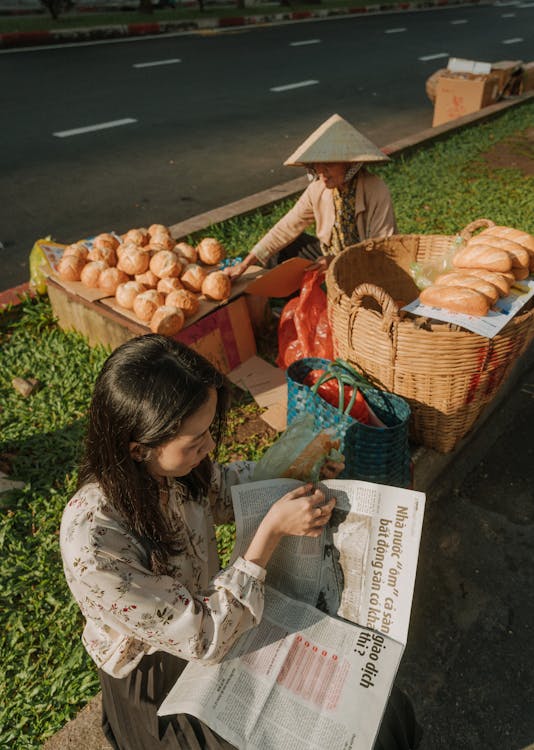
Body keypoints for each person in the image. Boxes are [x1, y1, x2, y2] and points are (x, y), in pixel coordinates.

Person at [60, 334, 421, 750]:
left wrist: (301, 470)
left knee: (377, 710)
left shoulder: (172, 472)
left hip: (226, 618)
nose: (210, 447)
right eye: (195, 443)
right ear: (139, 448)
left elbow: (226, 487)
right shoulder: (95, 547)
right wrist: (267, 536)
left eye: (209, 432)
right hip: (163, 674)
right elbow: (204, 637)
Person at [225, 114, 397, 280]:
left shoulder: (375, 189)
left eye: (329, 165)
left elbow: (381, 248)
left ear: (350, 163)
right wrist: (245, 264)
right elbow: (286, 226)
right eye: (317, 165)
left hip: (367, 264)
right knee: (285, 245)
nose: (322, 173)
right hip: (330, 254)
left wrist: (335, 261)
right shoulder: (318, 189)